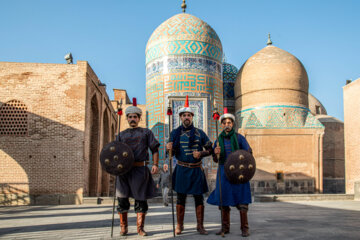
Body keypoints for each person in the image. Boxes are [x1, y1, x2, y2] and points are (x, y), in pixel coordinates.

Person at [166, 96, 213, 235]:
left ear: (192, 116)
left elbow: (210, 149)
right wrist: (169, 148)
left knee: (199, 198)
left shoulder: (200, 133)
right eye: (184, 115)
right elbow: (171, 153)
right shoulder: (174, 133)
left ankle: (200, 226)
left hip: (196, 170)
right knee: (181, 198)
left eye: (189, 115)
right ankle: (179, 226)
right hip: (181, 169)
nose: (186, 117)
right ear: (180, 117)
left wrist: (201, 154)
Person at [116, 98, 160, 236]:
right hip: (124, 171)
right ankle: (124, 227)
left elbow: (154, 149)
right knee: (122, 198)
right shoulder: (121, 135)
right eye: (130, 117)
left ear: (139, 118)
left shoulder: (146, 132)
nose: (132, 119)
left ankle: (140, 228)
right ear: (127, 119)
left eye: (135, 116)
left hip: (140, 170)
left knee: (140, 199)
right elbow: (115, 153)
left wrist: (155, 164)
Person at [207, 108, 252, 237]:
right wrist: (215, 154)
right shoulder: (218, 140)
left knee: (242, 201)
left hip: (239, 173)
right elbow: (216, 160)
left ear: (232, 124)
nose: (227, 125)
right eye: (224, 123)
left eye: (229, 123)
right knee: (224, 201)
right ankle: (225, 227)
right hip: (223, 172)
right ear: (221, 125)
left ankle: (245, 228)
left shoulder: (239, 138)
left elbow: (248, 154)